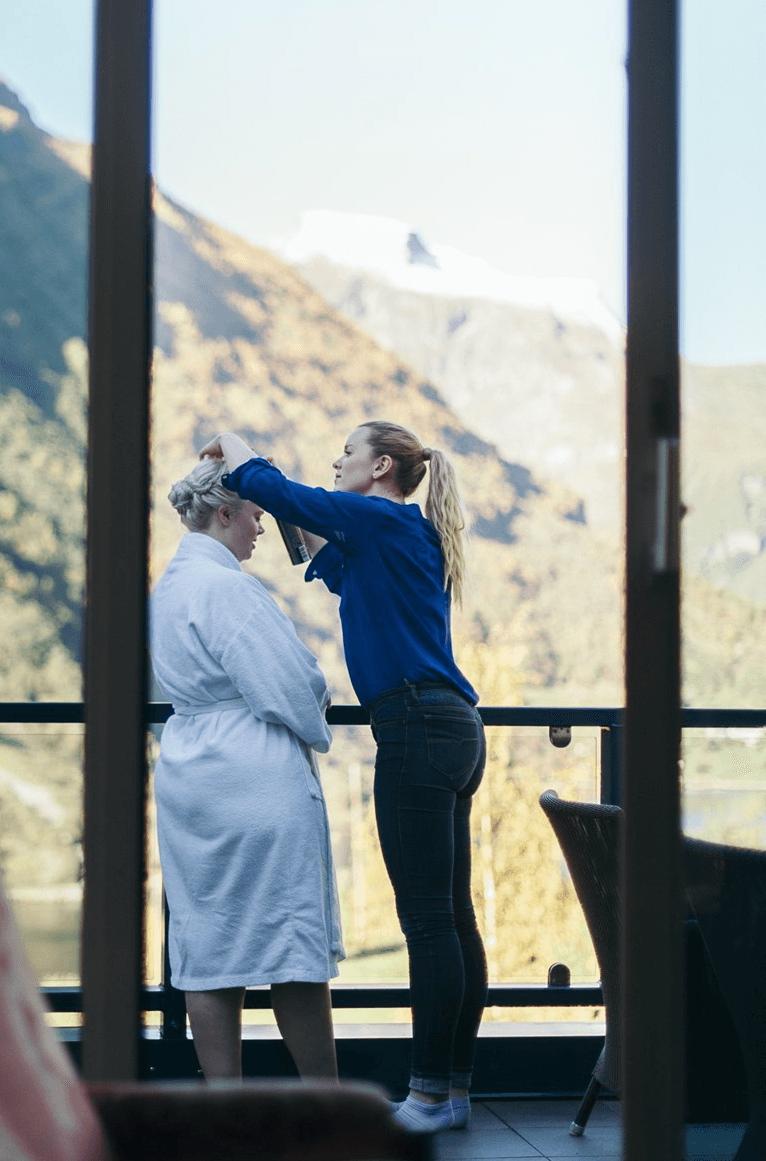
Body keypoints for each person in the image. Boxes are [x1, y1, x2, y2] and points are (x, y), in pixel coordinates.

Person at [200, 423, 487, 1132]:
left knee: (426, 922)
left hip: (418, 730)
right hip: (451, 728)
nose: (337, 463)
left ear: (381, 467)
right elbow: (321, 553)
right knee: (452, 918)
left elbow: (278, 490)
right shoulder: (391, 533)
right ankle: (451, 1091)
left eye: (349, 455)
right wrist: (295, 517)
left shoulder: (378, 516)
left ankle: (425, 1096)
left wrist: (232, 445)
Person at [149, 458, 344, 1082]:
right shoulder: (228, 588)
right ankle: (326, 1100)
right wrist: (319, 697)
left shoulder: (169, 588)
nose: (261, 528)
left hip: (189, 775)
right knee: (291, 947)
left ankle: (224, 1105)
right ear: (225, 513)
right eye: (256, 516)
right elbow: (289, 684)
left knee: (210, 947)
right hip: (252, 776)